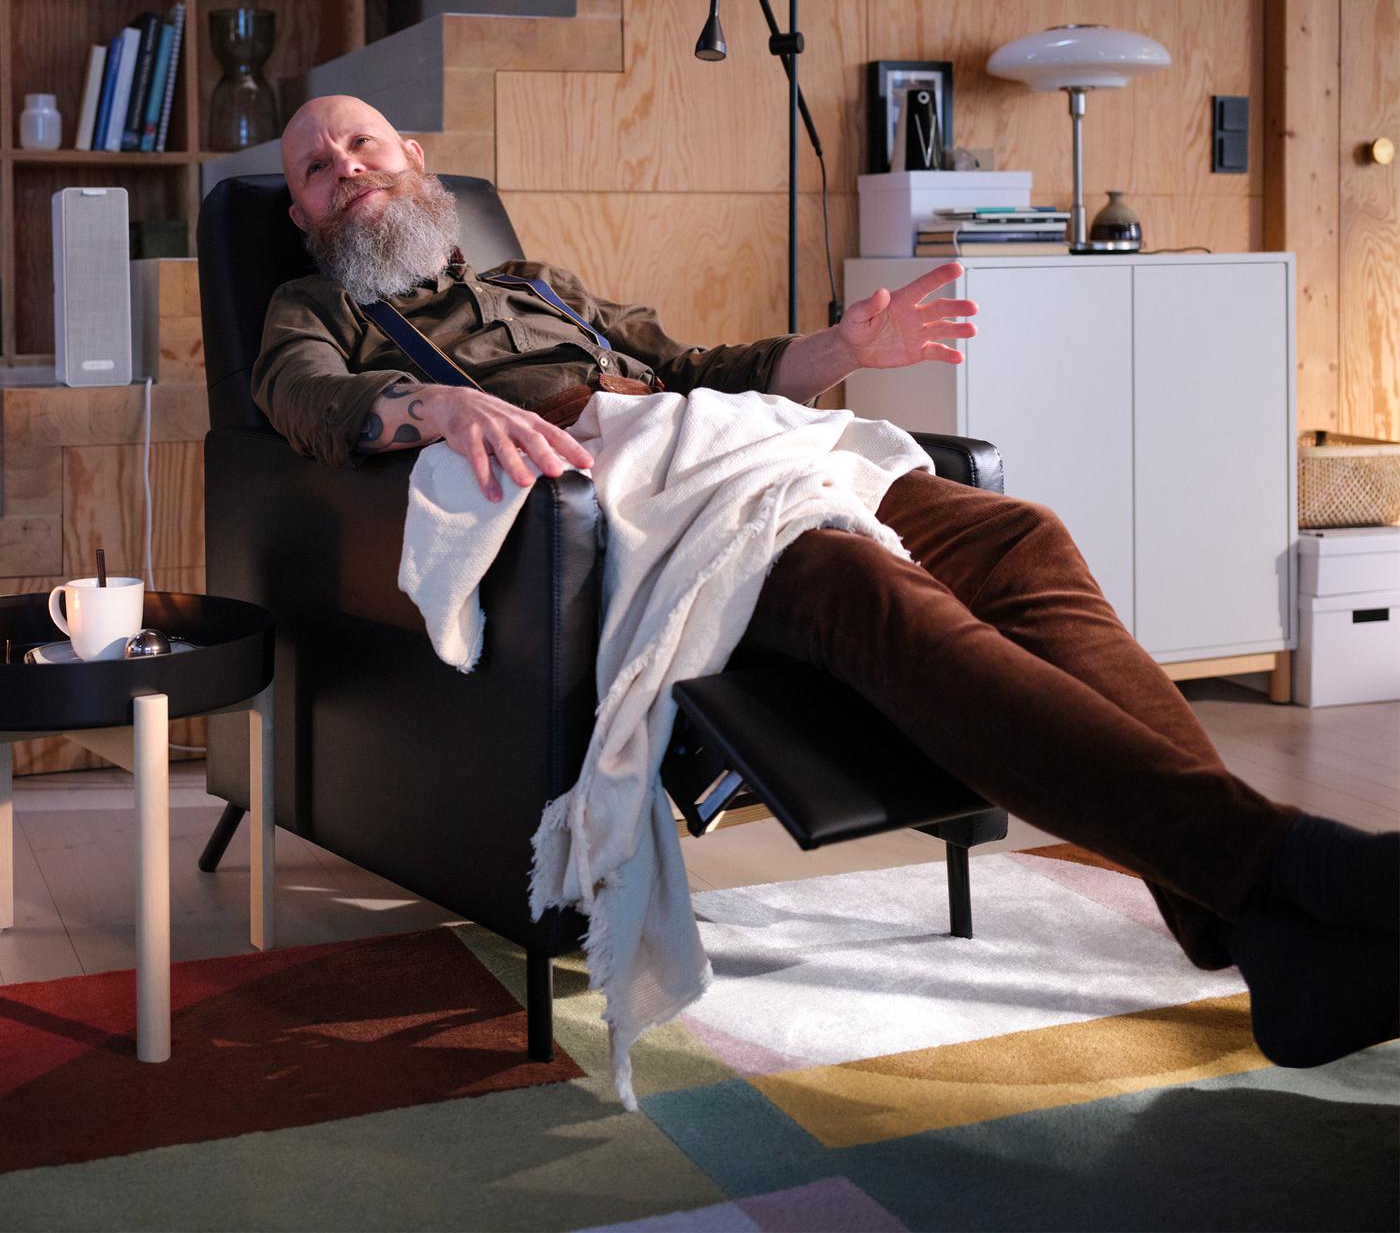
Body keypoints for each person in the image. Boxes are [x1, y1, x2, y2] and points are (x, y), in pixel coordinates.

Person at [254, 94, 1398, 1070]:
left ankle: (1254, 923)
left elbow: (698, 368)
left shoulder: (538, 283)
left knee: (1021, 537)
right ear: (303, 216)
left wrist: (841, 349)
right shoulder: (315, 310)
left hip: (733, 442)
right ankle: (1287, 868)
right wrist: (435, 404)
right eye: (315, 167)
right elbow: (303, 399)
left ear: (413, 159)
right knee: (863, 587)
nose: (343, 166)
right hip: (634, 505)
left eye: (361, 144)